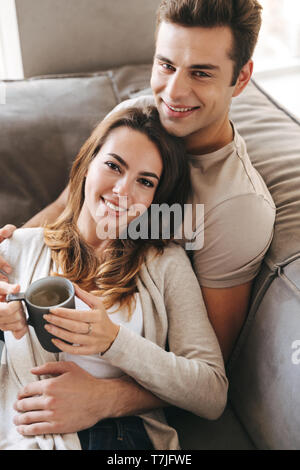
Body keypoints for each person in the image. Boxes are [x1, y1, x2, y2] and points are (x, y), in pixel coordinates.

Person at [0, 0, 275, 438]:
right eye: (166, 64)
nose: (173, 92)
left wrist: (106, 398)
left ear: (241, 77)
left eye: (200, 72)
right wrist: (12, 258)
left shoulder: (235, 209)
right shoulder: (138, 114)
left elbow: (209, 374)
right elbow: (65, 211)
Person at [0, 105, 227, 450]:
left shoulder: (165, 263)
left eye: (145, 181)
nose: (123, 190)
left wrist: (114, 342)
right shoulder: (19, 247)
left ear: (155, 199)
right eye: (113, 166)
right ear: (87, 164)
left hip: (122, 439)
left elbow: (211, 393)